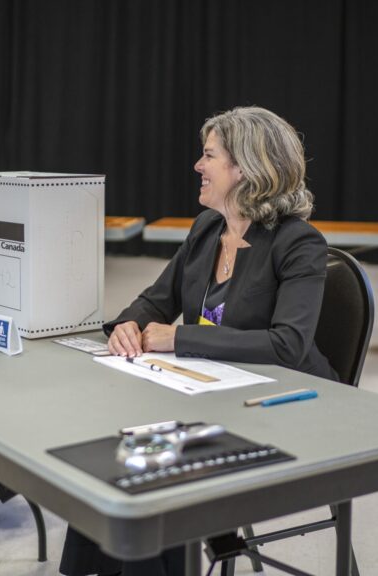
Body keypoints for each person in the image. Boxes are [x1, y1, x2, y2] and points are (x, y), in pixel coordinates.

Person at [59, 106, 336, 576]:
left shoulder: (298, 243)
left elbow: (288, 345)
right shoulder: (209, 228)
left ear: (245, 168)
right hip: (212, 397)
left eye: (208, 155)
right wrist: (130, 324)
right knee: (113, 455)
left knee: (153, 475)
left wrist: (180, 338)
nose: (197, 166)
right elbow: (157, 299)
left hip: (283, 410)